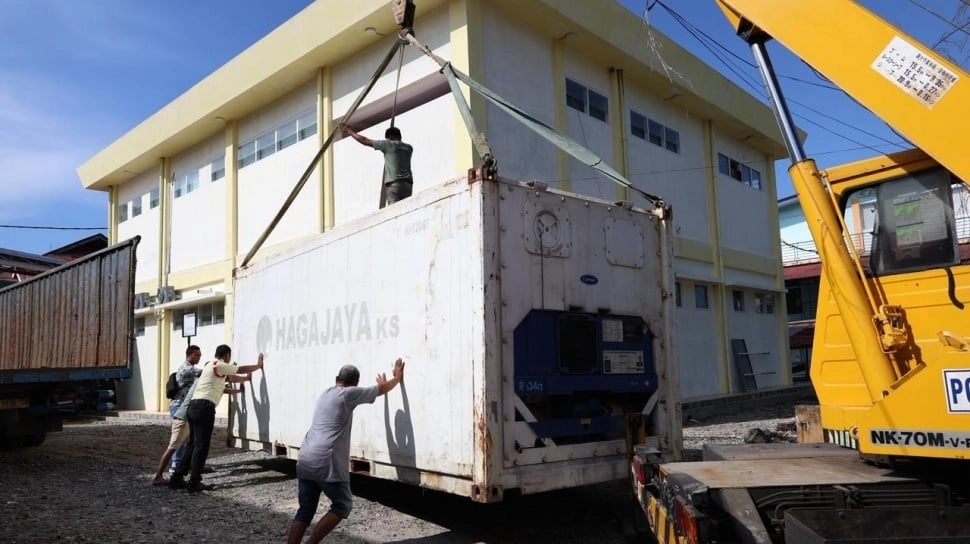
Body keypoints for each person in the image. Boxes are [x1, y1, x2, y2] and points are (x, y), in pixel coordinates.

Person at [287, 358, 405, 544]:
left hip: (305, 457)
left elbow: (375, 390)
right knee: (343, 505)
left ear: (337, 379)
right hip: (326, 461)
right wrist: (397, 378)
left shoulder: (326, 393)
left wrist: (380, 385)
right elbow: (380, 390)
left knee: (305, 510)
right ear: (355, 383)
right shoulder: (348, 394)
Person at [168, 344, 263, 493]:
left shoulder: (210, 366)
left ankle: (177, 478)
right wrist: (258, 366)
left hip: (194, 407)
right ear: (226, 356)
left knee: (192, 445)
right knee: (201, 446)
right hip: (204, 408)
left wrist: (245, 380)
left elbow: (232, 377)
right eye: (229, 357)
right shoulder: (220, 364)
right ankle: (194, 482)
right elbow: (239, 369)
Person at [150, 345, 203, 485]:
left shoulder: (189, 369)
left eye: (200, 355)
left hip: (182, 407)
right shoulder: (187, 369)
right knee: (177, 442)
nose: (199, 358)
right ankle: (172, 469)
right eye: (197, 355)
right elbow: (204, 373)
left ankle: (179, 466)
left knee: (184, 440)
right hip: (179, 408)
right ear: (189, 354)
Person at [340, 124, 414, 205]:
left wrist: (349, 131)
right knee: (406, 208)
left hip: (394, 184)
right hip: (408, 185)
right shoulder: (409, 148)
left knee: (394, 211)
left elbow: (364, 140)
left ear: (390, 137)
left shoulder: (388, 144)